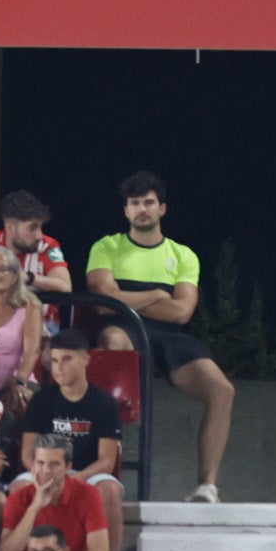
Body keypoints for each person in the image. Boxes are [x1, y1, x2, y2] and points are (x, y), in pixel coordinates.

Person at [82, 172, 232, 500]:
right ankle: (107, 466)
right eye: (135, 203)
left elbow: (181, 313)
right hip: (122, 328)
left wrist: (129, 299)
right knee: (113, 341)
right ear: (126, 212)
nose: (142, 209)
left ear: (162, 208)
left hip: (169, 336)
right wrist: (156, 295)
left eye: (149, 202)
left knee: (222, 390)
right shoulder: (107, 246)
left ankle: (207, 486)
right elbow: (105, 302)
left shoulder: (183, 255)